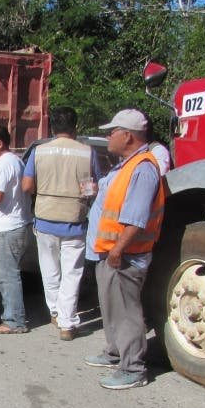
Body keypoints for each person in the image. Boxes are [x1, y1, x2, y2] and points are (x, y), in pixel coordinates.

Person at [84, 109, 165, 390]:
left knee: (127, 313)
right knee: (113, 309)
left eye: (112, 131)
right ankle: (116, 352)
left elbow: (136, 219)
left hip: (125, 255)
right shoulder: (126, 165)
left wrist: (117, 251)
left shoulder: (142, 168)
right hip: (111, 252)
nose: (108, 136)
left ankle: (133, 368)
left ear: (127, 135)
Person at [21, 106, 101, 341]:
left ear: (52, 127)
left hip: (45, 218)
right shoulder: (87, 152)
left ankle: (56, 311)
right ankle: (67, 322)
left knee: (50, 270)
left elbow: (26, 186)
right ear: (75, 127)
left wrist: (44, 191)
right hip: (74, 219)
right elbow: (92, 187)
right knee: (72, 272)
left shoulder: (40, 151)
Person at [0, 124, 33, 334]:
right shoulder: (16, 160)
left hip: (9, 226)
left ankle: (15, 320)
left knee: (7, 275)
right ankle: (4, 313)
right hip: (18, 223)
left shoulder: (2, 164)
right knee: (6, 273)